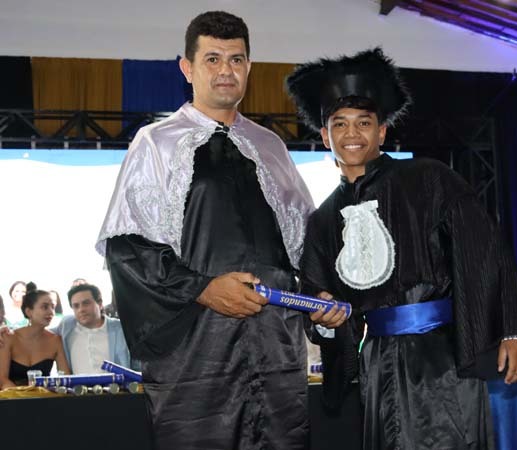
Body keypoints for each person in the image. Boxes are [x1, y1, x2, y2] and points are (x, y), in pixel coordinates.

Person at [287, 48, 517, 449]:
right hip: (376, 365)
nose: (352, 134)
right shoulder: (322, 220)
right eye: (340, 124)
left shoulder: (430, 178)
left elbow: (487, 251)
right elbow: (316, 294)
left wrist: (515, 330)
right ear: (325, 135)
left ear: (382, 132)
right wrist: (324, 317)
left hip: (443, 361)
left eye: (364, 123)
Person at [95, 11, 314, 450]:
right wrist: (204, 289)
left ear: (249, 67)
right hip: (198, 358)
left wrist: (319, 294)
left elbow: (304, 243)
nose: (226, 70)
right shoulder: (156, 143)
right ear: (187, 67)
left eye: (236, 59)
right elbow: (128, 249)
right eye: (212, 59)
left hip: (277, 354)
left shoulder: (270, 146)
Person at [0, 282, 70, 388]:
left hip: (44, 395)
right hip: (11, 395)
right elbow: (2, 379)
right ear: (29, 312)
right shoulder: (8, 337)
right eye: (45, 307)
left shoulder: (56, 340)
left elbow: (65, 377)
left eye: (53, 307)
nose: (51, 312)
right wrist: (23, 396)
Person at [53, 283, 132, 373]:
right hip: (77, 382)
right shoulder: (66, 325)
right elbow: (42, 334)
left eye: (86, 303)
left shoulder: (120, 328)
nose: (81, 309)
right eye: (76, 306)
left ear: (100, 303)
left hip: (118, 382)